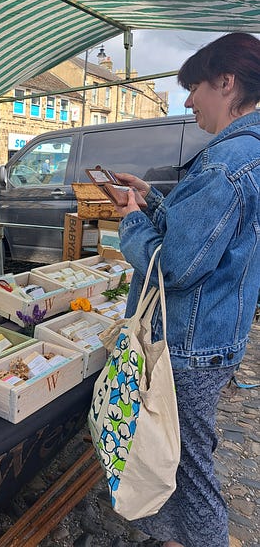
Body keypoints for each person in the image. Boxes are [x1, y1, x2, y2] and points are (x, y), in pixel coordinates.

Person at [113, 32, 260, 547]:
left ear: (227, 81)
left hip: (189, 346)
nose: (187, 100)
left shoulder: (227, 162)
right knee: (178, 454)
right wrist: (151, 199)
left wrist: (131, 222)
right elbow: (206, 237)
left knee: (190, 472)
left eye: (193, 86)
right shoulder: (247, 155)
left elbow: (174, 265)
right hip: (213, 336)